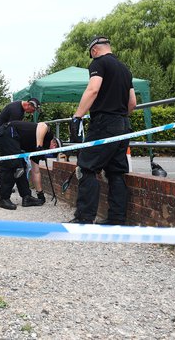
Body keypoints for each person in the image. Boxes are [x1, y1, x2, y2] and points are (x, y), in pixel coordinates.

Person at [68, 36, 136, 225]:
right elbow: (133, 103)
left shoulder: (98, 63)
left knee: (86, 167)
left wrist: (77, 116)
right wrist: (119, 116)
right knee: (116, 172)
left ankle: (84, 218)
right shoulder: (125, 69)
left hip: (104, 123)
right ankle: (116, 219)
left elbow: (93, 90)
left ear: (94, 50)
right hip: (123, 124)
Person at [0, 120, 53, 210]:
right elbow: (43, 125)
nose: (53, 148)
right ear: (54, 142)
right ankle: (3, 199)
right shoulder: (48, 137)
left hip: (13, 138)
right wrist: (39, 146)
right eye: (55, 146)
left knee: (21, 167)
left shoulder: (38, 150)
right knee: (12, 165)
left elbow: (36, 171)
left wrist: (40, 193)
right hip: (8, 131)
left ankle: (27, 197)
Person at [0, 98, 44, 200]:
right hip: (4, 135)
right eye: (33, 110)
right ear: (29, 105)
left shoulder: (18, 108)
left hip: (3, 134)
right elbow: (12, 129)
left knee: (13, 163)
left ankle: (24, 195)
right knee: (13, 164)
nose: (32, 113)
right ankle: (6, 195)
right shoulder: (16, 111)